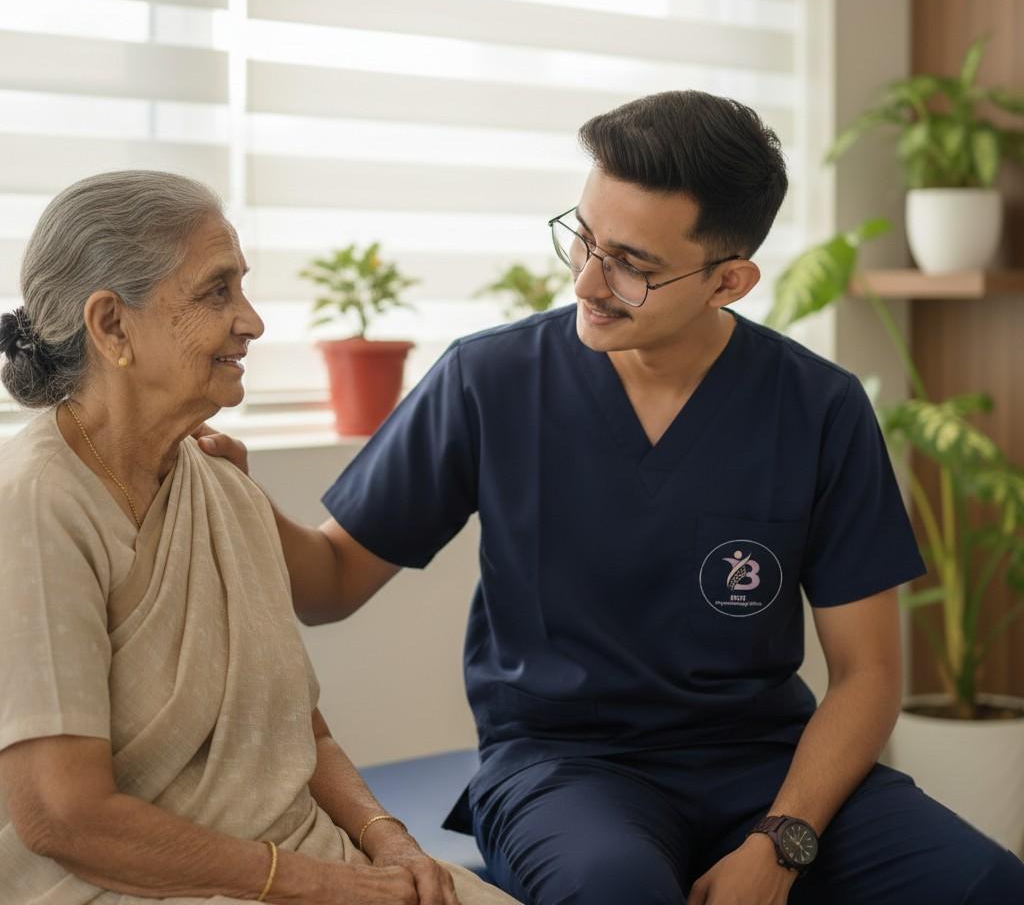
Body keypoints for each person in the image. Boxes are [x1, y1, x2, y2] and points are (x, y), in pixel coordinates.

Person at [199, 91, 1024, 905]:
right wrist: (235, 493)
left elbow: (869, 672)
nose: (590, 280)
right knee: (616, 889)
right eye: (585, 239)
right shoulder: (492, 380)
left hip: (767, 766)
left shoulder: (819, 408)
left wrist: (783, 840)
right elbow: (332, 582)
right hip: (564, 769)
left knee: (986, 883)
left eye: (634, 264)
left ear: (728, 280)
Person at [0, 171, 519, 905]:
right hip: (134, 884)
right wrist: (321, 886)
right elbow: (64, 818)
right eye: (217, 292)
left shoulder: (221, 485)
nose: (252, 321)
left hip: (300, 858)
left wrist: (389, 841)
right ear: (113, 325)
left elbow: (304, 736)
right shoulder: (33, 505)